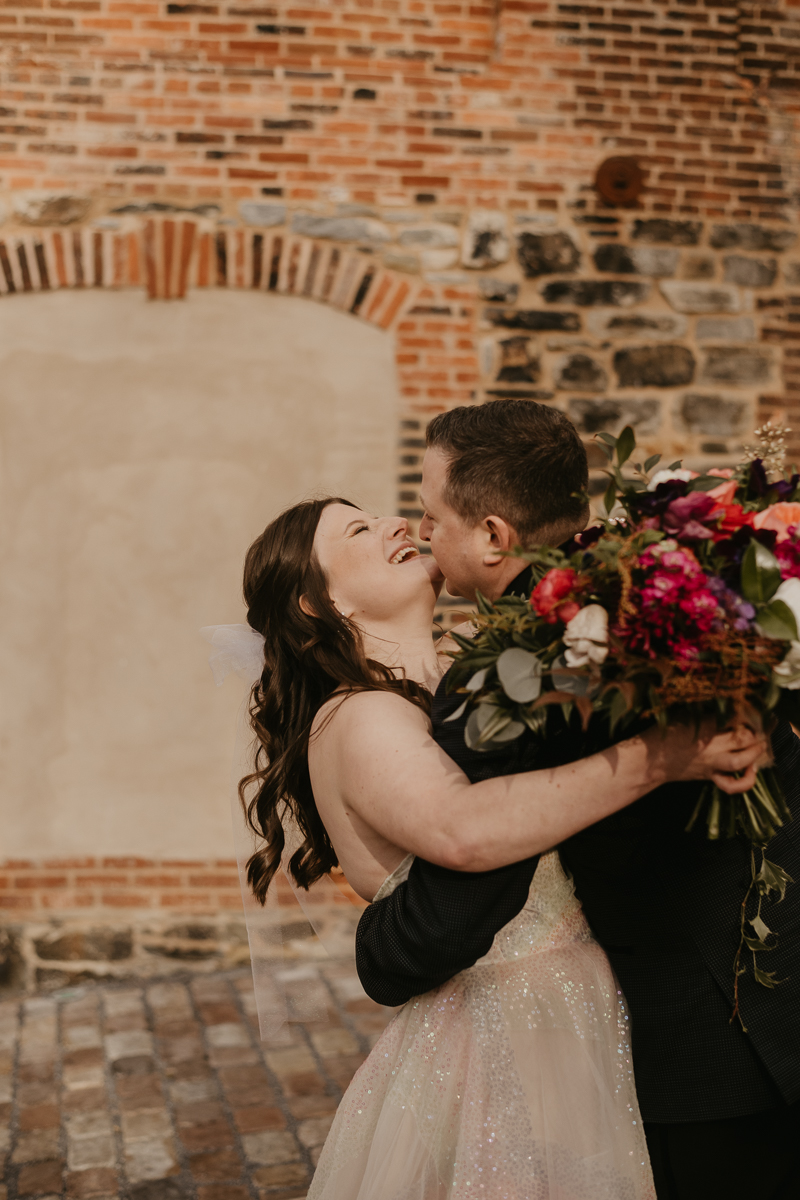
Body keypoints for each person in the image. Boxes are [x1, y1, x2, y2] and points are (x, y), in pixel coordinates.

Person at [238, 461, 767, 1197]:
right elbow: (462, 831)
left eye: (384, 513)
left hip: (584, 1012)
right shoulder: (358, 714)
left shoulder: (465, 675)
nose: (397, 523)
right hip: (504, 1034)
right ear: (316, 601)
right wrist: (665, 758)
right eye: (360, 529)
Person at [356, 400, 800, 1200]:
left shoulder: (507, 669)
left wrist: (380, 948)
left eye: (431, 515)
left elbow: (453, 914)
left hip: (700, 1050)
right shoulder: (687, 586)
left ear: (493, 535)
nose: (423, 532)